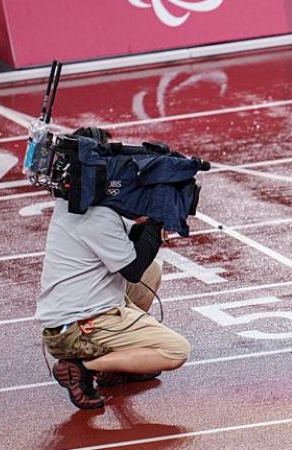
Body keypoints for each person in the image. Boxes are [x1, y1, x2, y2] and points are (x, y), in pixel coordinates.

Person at [35, 128, 191, 409]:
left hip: (67, 315)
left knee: (151, 271)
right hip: (78, 327)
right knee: (176, 350)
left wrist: (150, 221)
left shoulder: (74, 201)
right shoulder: (97, 216)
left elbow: (131, 243)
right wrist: (158, 218)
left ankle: (117, 362)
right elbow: (131, 268)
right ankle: (86, 366)